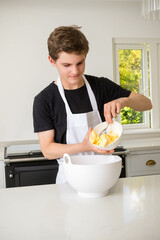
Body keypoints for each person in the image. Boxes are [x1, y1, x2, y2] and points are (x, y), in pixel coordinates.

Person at [33, 25, 152, 183]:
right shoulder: (45, 100)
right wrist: (85, 146)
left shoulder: (101, 86)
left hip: (104, 174)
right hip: (70, 179)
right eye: (67, 65)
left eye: (80, 63)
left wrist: (125, 101)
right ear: (52, 60)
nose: (75, 71)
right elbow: (48, 150)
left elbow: (147, 104)